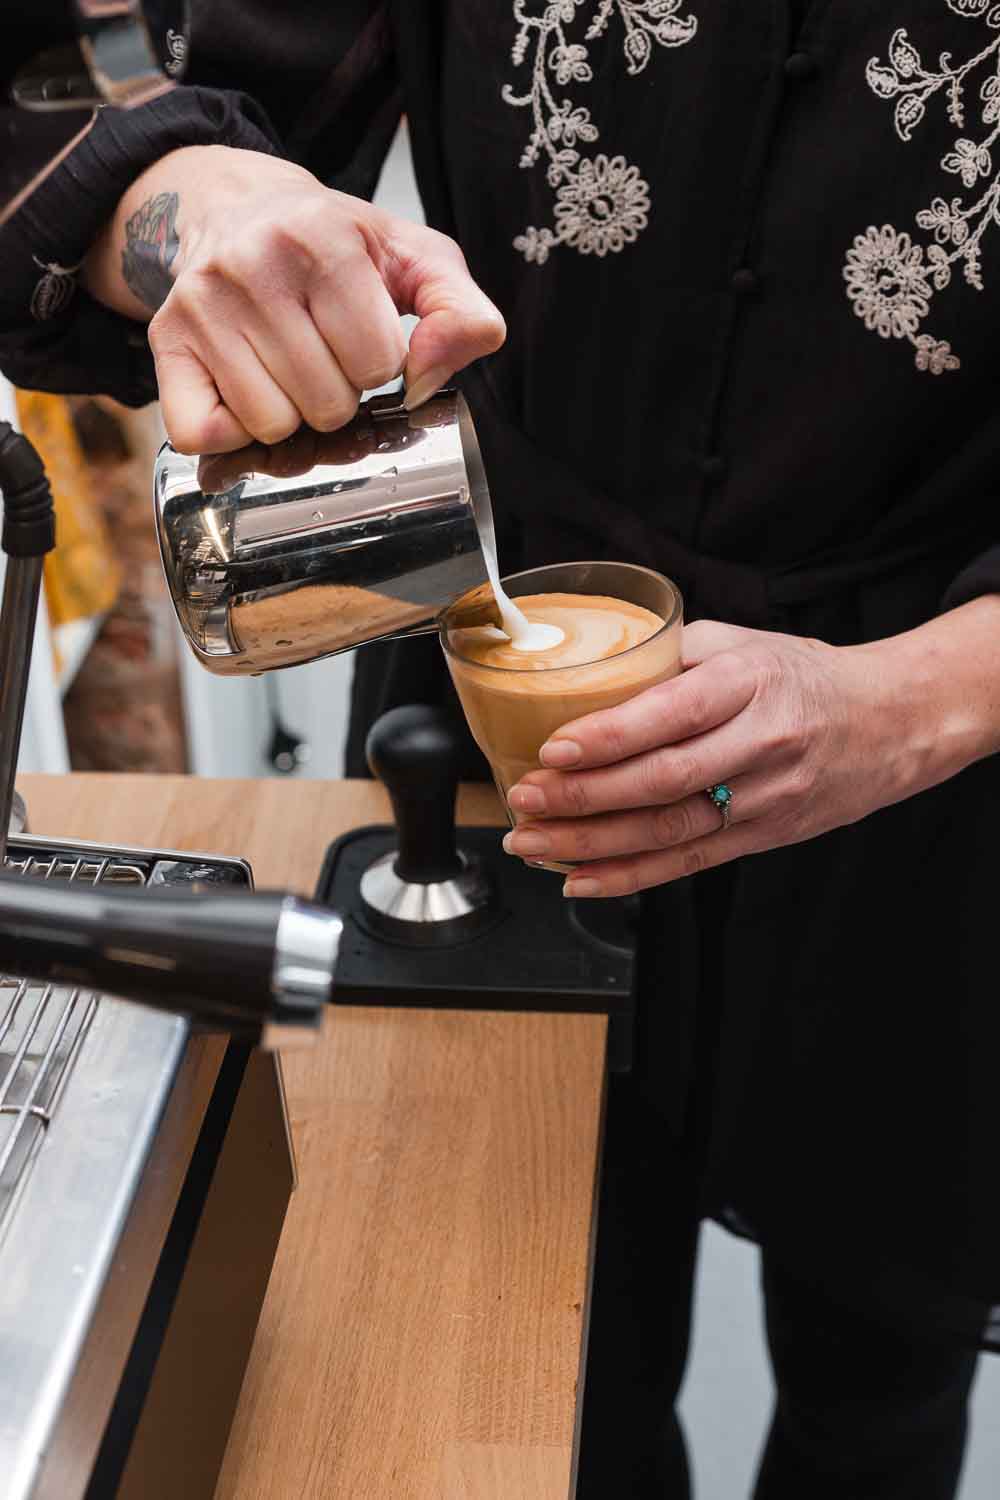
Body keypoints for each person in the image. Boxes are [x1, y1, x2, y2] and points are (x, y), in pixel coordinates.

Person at [2, 5, 1000, 1496]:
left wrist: (929, 693)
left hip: (942, 770)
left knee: (882, 1372)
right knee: (542, 1345)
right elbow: (56, 99)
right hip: (488, 680)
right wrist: (200, 205)